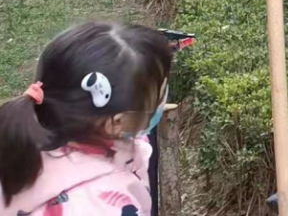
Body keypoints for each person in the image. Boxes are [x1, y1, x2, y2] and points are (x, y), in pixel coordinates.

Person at [0, 22, 172, 216]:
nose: (163, 99)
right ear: (117, 123)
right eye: (161, 92)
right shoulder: (106, 209)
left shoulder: (20, 136)